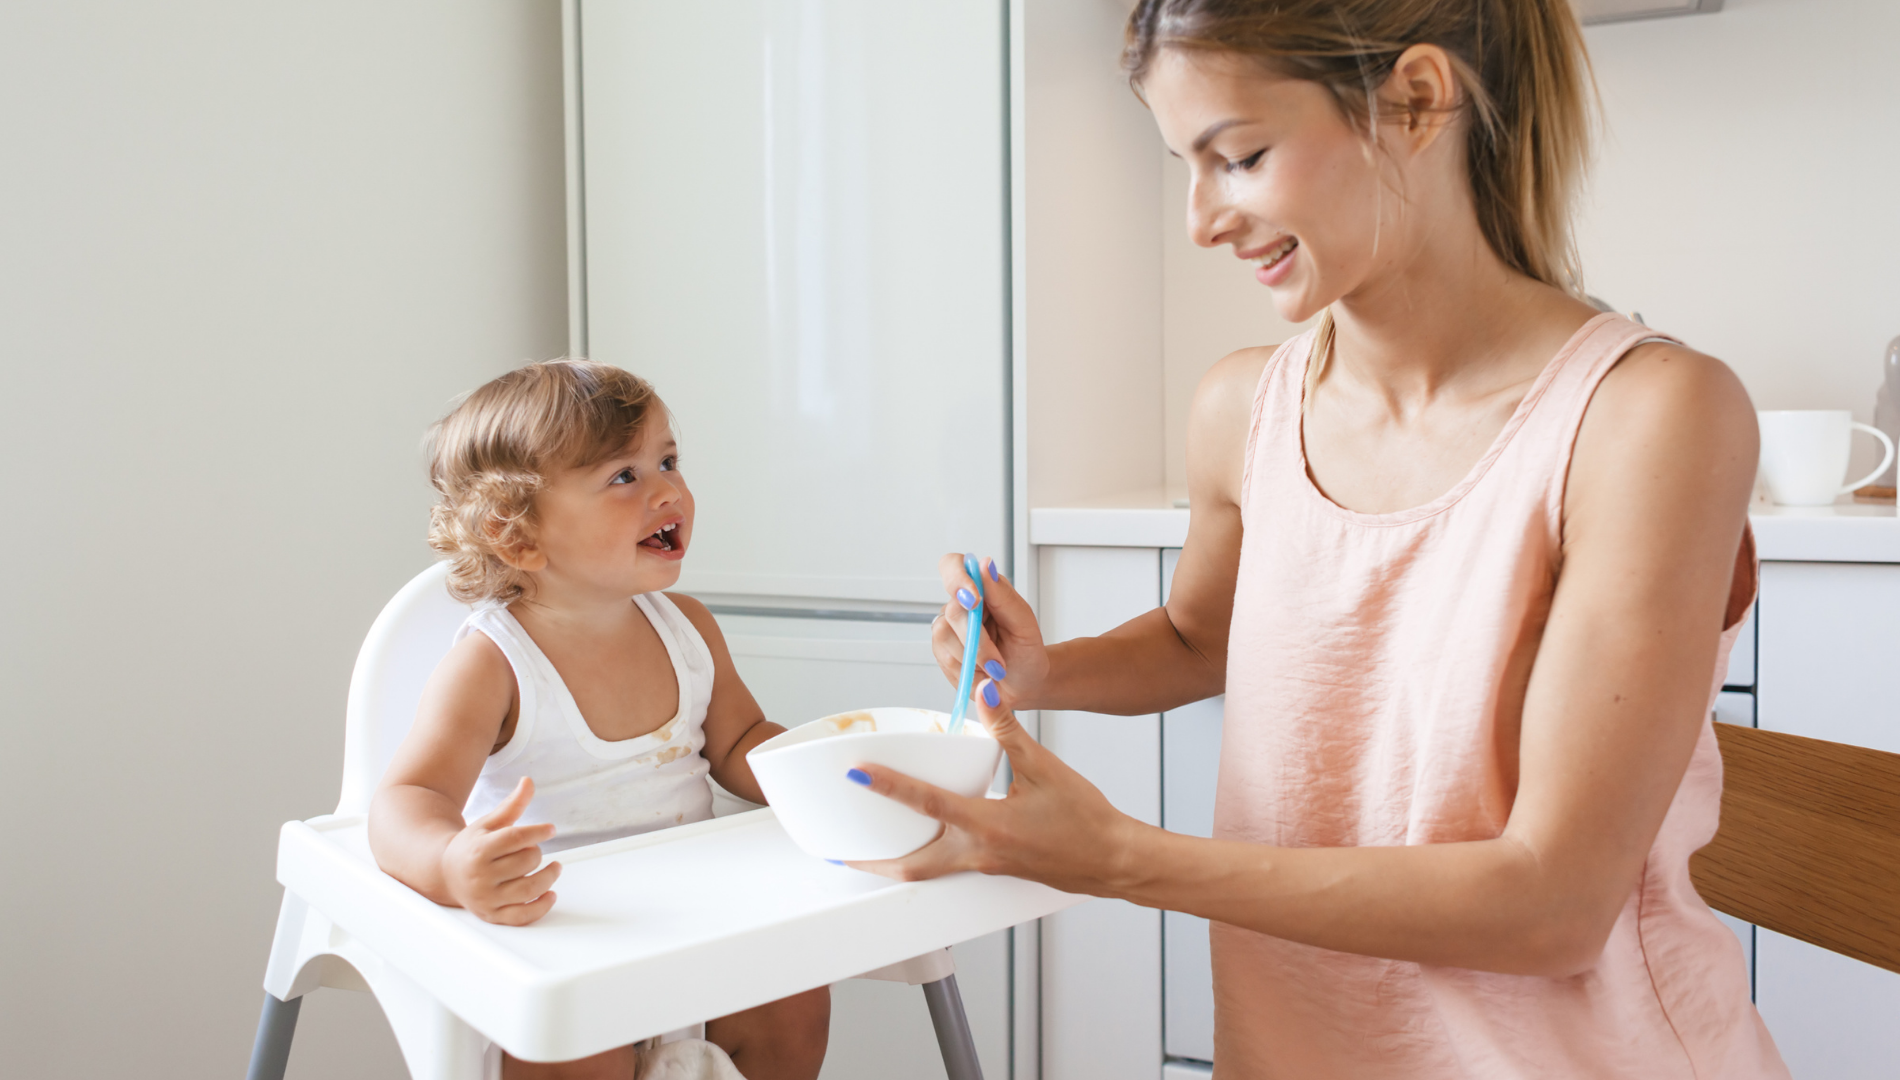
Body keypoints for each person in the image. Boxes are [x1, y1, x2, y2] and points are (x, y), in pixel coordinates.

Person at [846, 1, 1788, 1076]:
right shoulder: (1240, 407)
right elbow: (1200, 640)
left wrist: (1121, 860)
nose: (1200, 219)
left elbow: (1554, 904)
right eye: (1182, 167)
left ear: (1418, 101)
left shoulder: (1647, 417)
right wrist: (1043, 671)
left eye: (1238, 157)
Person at [368, 361, 830, 1080]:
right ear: (516, 533)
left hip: (694, 912)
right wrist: (453, 865)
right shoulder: (495, 663)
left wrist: (820, 771)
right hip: (561, 931)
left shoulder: (688, 629)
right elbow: (407, 800)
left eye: (669, 461)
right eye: (625, 476)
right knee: (575, 1046)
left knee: (795, 993)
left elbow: (739, 741)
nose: (668, 490)